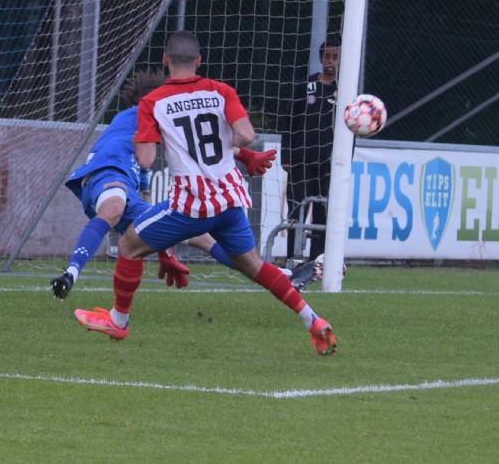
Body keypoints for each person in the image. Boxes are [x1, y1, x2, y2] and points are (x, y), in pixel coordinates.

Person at [73, 31, 336, 355]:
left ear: (166, 60)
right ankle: (313, 320)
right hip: (230, 201)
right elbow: (245, 134)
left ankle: (118, 321)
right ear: (198, 61)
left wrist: (153, 138)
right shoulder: (220, 91)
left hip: (190, 207)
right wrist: (232, 149)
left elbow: (146, 159)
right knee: (255, 266)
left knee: (128, 244)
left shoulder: (153, 103)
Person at [51, 69, 274, 299]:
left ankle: (281, 276)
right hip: (105, 173)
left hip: (124, 187)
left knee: (202, 236)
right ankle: (70, 274)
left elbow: (146, 193)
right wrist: (246, 155)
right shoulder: (142, 113)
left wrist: (165, 252)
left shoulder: (143, 138)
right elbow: (199, 139)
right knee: (114, 207)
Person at [283, 37, 340, 285]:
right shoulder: (304, 86)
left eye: (335, 57)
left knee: (323, 214)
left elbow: (348, 130)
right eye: (327, 56)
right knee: (296, 212)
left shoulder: (343, 91)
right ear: (320, 58)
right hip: (300, 160)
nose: (330, 62)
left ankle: (318, 263)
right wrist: (287, 154)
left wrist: (344, 162)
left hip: (328, 164)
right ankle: (292, 262)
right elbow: (289, 121)